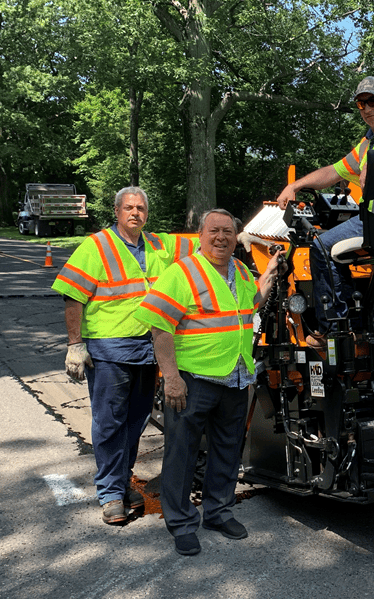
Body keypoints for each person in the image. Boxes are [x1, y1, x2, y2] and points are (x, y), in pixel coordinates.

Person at [134, 209, 283, 556]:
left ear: (236, 237)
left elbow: (251, 304)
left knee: (228, 452)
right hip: (193, 380)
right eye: (214, 231)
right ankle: (182, 523)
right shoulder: (181, 273)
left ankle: (218, 512)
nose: (221, 237)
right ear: (200, 235)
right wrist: (171, 378)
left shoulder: (242, 271)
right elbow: (159, 327)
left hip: (235, 376)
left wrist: (270, 274)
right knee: (181, 454)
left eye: (228, 232)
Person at [51, 186, 196, 525]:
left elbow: (201, 241)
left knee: (137, 420)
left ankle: (119, 479)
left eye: (141, 208)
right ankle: (111, 493)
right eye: (129, 207)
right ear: (116, 211)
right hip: (110, 349)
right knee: (109, 422)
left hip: (148, 349)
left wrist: (245, 235)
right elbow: (72, 296)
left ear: (147, 213)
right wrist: (75, 344)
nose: (135, 213)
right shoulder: (97, 246)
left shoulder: (159, 244)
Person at [276, 76, 374, 346]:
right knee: (335, 250)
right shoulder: (369, 142)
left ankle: (334, 328)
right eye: (361, 103)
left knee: (320, 246)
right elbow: (333, 172)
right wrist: (295, 185)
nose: (367, 108)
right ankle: (356, 323)